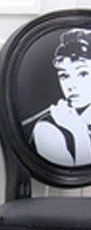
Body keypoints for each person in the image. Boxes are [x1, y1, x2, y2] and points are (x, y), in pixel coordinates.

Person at [22, 28, 91, 167]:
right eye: (64, 76)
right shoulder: (47, 129)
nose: (71, 85)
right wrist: (78, 132)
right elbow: (75, 176)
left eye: (82, 74)